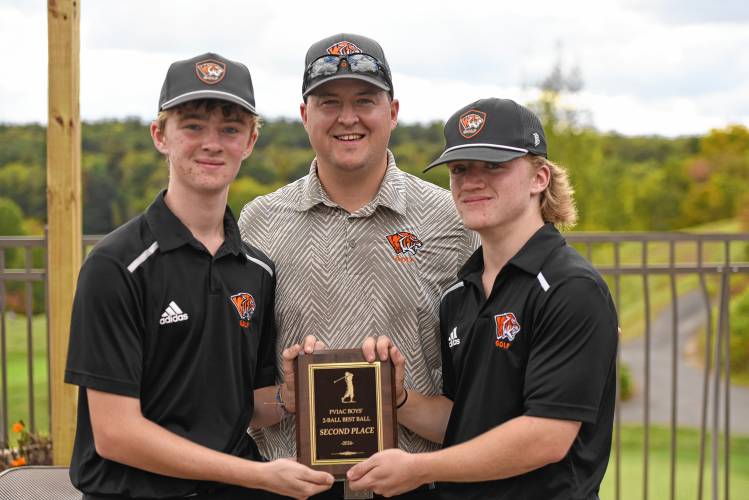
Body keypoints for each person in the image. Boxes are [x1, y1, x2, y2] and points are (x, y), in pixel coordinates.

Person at [65, 52, 334, 499]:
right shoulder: (117, 265)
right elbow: (116, 434)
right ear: (160, 136)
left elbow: (244, 409)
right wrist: (259, 475)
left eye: (229, 129)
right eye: (192, 126)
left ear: (249, 142)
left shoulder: (257, 269)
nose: (212, 143)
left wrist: (291, 394)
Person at [238, 34, 478, 498]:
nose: (348, 118)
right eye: (329, 102)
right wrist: (283, 396)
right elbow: (235, 381)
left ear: (392, 111)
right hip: (293, 486)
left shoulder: (451, 218)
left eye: (365, 100)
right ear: (305, 115)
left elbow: (485, 367)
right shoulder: (260, 222)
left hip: (417, 483)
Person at [347, 98, 619, 499]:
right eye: (460, 169)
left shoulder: (570, 288)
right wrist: (399, 398)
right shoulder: (459, 296)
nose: (472, 181)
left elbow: (547, 436)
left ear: (539, 177)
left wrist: (420, 469)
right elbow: (465, 423)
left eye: (494, 166)